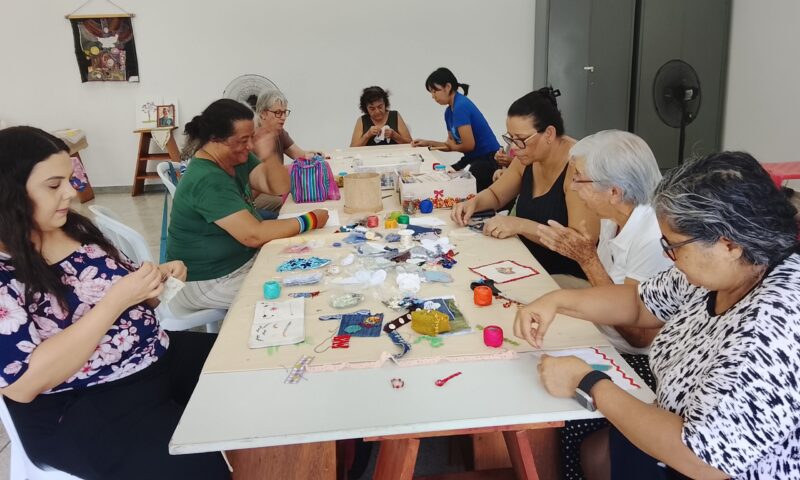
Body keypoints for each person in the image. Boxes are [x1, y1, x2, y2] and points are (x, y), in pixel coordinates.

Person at [515, 152, 800, 480]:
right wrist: (557, 300)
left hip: (698, 464)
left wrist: (588, 382)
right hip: (671, 428)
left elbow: (703, 459)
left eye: (674, 246)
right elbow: (641, 303)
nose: (668, 256)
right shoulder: (725, 269)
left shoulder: (774, 324)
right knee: (592, 448)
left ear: (729, 244)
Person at [0, 126, 230, 479]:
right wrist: (115, 302)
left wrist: (152, 285)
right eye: (54, 185)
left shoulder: (72, 229)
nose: (71, 193)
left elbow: (137, 302)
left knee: (253, 373)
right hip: (86, 402)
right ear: (9, 192)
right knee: (200, 468)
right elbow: (23, 384)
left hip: (156, 356)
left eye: (70, 180)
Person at [535, 130, 672, 480]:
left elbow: (640, 336)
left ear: (614, 191)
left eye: (579, 179)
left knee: (563, 413)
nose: (572, 186)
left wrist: (588, 260)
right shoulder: (615, 219)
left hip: (643, 361)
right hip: (608, 337)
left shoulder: (652, 235)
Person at [167, 99, 328, 311]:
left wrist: (269, 156)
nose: (250, 146)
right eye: (243, 140)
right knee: (294, 292)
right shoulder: (206, 178)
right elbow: (254, 235)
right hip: (206, 282)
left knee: (309, 269)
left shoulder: (235, 157)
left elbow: (279, 187)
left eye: (252, 138)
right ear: (215, 139)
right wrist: (310, 219)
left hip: (238, 264)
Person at [451, 88, 600, 286]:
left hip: (564, 278)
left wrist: (520, 225)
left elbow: (581, 243)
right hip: (526, 262)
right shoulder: (528, 156)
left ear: (549, 134)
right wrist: (473, 203)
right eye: (510, 138)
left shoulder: (579, 167)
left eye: (520, 139)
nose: (513, 148)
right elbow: (496, 195)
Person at [412, 67, 501, 192]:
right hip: (472, 158)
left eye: (435, 91)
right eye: (431, 92)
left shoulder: (461, 106)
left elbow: (468, 145)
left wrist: (452, 147)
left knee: (455, 185)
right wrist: (427, 143)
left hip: (487, 160)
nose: (433, 96)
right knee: (443, 175)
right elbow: (450, 145)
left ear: (448, 87)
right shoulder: (449, 112)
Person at [251, 89, 323, 216]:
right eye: (278, 113)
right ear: (263, 114)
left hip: (276, 188)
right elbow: (260, 184)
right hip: (255, 196)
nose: (283, 117)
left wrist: (313, 156)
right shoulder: (252, 138)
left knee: (306, 196)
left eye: (285, 112)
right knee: (293, 203)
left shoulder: (279, 132)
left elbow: (299, 155)